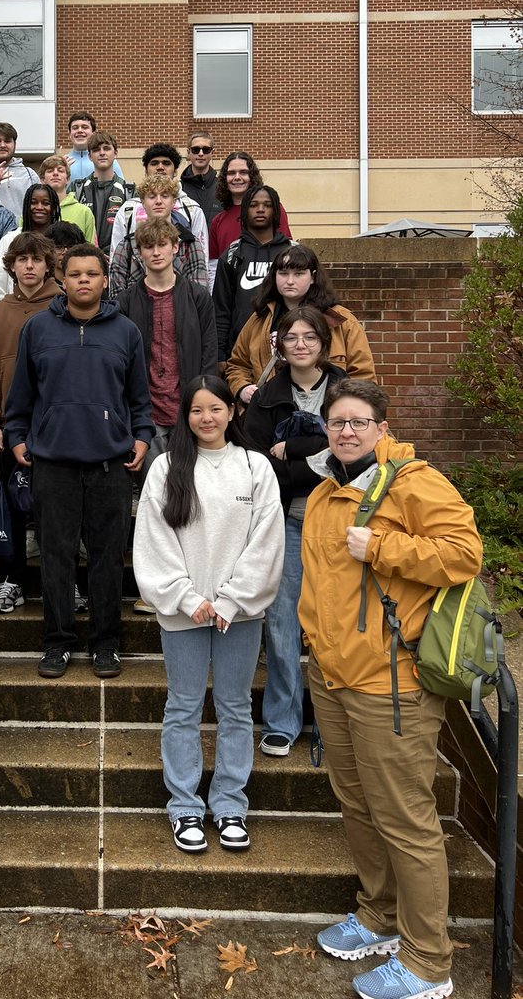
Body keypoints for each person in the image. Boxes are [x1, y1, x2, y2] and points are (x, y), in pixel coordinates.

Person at [301, 379, 482, 999]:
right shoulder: (328, 489)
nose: (346, 430)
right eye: (336, 421)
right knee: (358, 806)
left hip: (391, 684)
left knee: (406, 820)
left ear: (382, 427)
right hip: (332, 678)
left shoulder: (411, 482)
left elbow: (464, 553)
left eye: (358, 421)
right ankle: (379, 916)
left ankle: (429, 963)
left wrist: (379, 545)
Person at [132, 376, 284, 854]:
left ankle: (231, 804)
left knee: (237, 707)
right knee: (183, 707)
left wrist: (232, 599)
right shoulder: (166, 468)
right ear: (185, 415)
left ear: (231, 412)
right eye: (197, 410)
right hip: (185, 615)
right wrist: (185, 597)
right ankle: (184, 807)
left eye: (216, 408)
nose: (207, 418)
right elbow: (154, 539)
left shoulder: (254, 466)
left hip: (239, 614)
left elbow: (266, 541)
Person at [4, 244, 154, 680]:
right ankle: (58, 642)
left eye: (92, 274)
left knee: (108, 557)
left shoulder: (125, 332)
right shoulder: (37, 329)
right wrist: (16, 436)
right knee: (55, 557)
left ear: (105, 280)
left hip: (110, 463)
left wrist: (142, 438)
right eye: (75, 274)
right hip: (52, 464)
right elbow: (22, 397)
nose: (84, 280)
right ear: (62, 280)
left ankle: (106, 643)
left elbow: (138, 399)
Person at [242, 306, 347, 756]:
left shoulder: (346, 390)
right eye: (291, 337)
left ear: (323, 343)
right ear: (279, 346)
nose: (300, 344)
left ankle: (330, 722)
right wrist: (319, 461)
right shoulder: (267, 395)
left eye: (309, 337)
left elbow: (356, 455)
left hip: (338, 525)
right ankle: (282, 720)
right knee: (282, 624)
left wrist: (298, 452)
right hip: (285, 521)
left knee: (333, 624)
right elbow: (258, 464)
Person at [0, 232, 60, 612]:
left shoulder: (62, 305)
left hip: (57, 427)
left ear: (48, 265)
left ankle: (63, 580)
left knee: (57, 508)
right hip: (13, 428)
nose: (29, 266)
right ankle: (11, 578)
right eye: (22, 260)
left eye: (37, 260)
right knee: (13, 504)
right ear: (11, 266)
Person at [117, 218, 217, 472]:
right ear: (139, 253)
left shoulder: (197, 297)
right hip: (146, 416)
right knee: (154, 495)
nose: (156, 252)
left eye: (162, 244)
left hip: (189, 410)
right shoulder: (126, 301)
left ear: (175, 247)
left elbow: (208, 353)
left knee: (192, 492)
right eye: (149, 246)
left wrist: (203, 403)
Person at [226, 244, 376, 406]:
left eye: (298, 274)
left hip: (327, 417)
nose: (290, 281)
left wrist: (344, 410)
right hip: (272, 415)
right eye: (283, 273)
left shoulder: (342, 321)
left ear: (312, 277)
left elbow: (363, 376)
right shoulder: (259, 320)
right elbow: (237, 365)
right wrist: (243, 388)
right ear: (274, 276)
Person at [213, 184, 294, 362]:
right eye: (253, 205)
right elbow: (221, 309)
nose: (260, 210)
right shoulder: (232, 254)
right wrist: (220, 355)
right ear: (244, 210)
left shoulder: (291, 253)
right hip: (241, 351)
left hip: (285, 348)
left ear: (276, 211)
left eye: (267, 205)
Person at [109, 175, 208, 298]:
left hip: (182, 313)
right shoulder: (126, 246)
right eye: (152, 196)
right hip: (135, 314)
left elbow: (201, 295)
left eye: (165, 196)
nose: (159, 201)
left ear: (173, 202)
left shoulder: (190, 243)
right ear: (142, 202)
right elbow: (116, 298)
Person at [209, 151, 292, 271]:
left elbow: (286, 251)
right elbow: (214, 265)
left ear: (252, 177)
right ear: (224, 179)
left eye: (243, 172)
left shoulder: (273, 209)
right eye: (232, 173)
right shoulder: (218, 221)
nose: (237, 177)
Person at [0, 182, 61, 297]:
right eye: (33, 203)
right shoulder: (10, 239)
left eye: (45, 203)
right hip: (15, 308)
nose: (39, 207)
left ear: (53, 207)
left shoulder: (61, 240)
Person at [73, 130, 135, 253]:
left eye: (106, 149)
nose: (102, 153)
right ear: (90, 156)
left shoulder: (129, 190)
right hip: (84, 258)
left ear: (115, 153)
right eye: (96, 150)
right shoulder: (77, 188)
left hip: (117, 259)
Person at [38, 154, 97, 242]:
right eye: (50, 171)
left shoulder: (84, 212)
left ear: (68, 179)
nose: (55, 173)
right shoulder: (33, 211)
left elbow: (91, 248)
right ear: (42, 179)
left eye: (60, 170)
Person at [64, 110, 124, 182]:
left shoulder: (108, 161)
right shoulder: (63, 162)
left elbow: (120, 188)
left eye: (84, 127)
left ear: (93, 133)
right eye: (75, 128)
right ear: (70, 133)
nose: (79, 130)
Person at [179, 131, 220, 224]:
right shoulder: (178, 189)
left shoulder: (223, 188)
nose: (201, 153)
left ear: (212, 153)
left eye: (206, 149)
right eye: (195, 149)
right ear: (188, 152)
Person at [44, 220, 88, 284]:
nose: (65, 252)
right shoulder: (41, 284)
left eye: (70, 247)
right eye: (59, 247)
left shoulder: (88, 282)